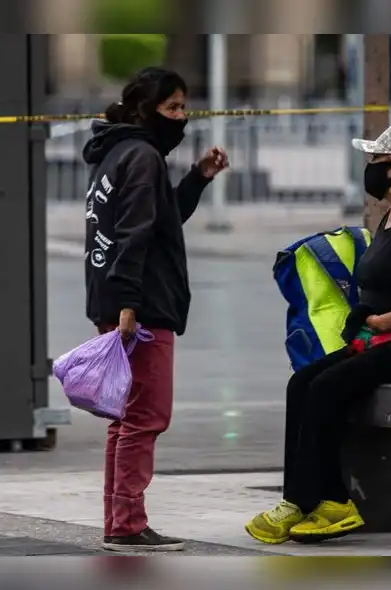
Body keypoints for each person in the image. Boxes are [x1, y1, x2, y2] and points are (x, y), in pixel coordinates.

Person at [245, 123, 391, 545]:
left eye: (376, 160)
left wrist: (374, 325)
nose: (369, 168)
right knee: (303, 383)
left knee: (328, 387)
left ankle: (331, 502)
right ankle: (301, 501)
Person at [82, 67, 229, 552]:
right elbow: (135, 235)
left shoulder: (118, 153)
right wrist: (130, 305)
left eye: (184, 107)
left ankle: (118, 519)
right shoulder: (142, 157)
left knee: (124, 419)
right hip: (140, 308)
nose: (182, 118)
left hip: (119, 300)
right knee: (145, 417)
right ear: (147, 110)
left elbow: (161, 219)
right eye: (173, 108)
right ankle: (126, 525)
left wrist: (197, 178)